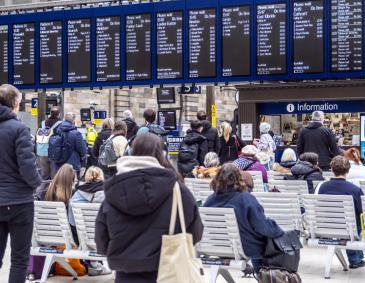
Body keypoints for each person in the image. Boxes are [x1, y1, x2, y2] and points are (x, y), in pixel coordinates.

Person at [95, 133, 203, 283]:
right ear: (160, 153)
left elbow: (101, 239)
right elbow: (195, 232)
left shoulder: (114, 189)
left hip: (126, 273)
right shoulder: (176, 189)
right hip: (168, 271)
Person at [204, 163, 284, 273]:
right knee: (268, 242)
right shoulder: (246, 198)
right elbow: (263, 227)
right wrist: (279, 231)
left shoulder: (210, 200)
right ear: (238, 178)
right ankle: (263, 275)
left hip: (216, 246)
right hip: (244, 248)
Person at [0, 84, 42, 283]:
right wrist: (37, 183)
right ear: (16, 103)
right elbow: (27, 168)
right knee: (19, 259)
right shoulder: (19, 129)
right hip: (19, 202)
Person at [318, 156, 364, 269]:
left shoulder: (323, 187)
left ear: (332, 170)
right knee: (355, 221)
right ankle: (355, 259)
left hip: (327, 226)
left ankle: (357, 258)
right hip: (348, 229)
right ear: (348, 171)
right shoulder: (354, 189)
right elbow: (360, 211)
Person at [68, 166, 110, 277]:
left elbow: (72, 222)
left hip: (81, 238)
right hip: (102, 238)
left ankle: (94, 265)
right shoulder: (105, 192)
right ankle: (96, 265)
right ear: (101, 177)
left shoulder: (77, 193)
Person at [37, 106, 62, 180]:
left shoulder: (42, 123)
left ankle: (43, 190)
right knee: (54, 176)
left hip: (42, 151)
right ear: (59, 114)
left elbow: (37, 136)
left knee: (44, 175)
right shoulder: (60, 124)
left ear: (50, 113)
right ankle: (52, 191)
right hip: (54, 153)